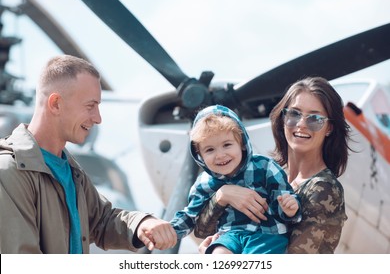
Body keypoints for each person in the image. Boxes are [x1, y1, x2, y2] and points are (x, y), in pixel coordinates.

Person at [0, 55, 177, 254]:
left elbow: (101, 219)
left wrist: (141, 224)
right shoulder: (8, 172)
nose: (98, 118)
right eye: (90, 106)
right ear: (56, 103)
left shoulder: (71, 171)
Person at [196, 77, 351, 254]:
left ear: (329, 127)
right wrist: (223, 195)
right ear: (283, 117)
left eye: (314, 119)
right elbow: (202, 230)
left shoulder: (323, 188)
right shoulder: (269, 175)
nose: (301, 124)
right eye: (294, 114)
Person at [169, 104, 301, 254]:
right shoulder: (203, 183)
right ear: (200, 155)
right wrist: (170, 231)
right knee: (218, 254)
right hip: (229, 236)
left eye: (227, 145)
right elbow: (191, 215)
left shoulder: (265, 167)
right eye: (210, 149)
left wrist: (290, 210)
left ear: (242, 144)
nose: (220, 155)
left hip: (267, 235)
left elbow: (284, 198)